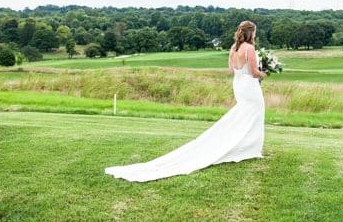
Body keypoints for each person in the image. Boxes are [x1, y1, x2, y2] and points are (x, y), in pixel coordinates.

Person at [105, 19, 266, 182]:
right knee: (255, 113)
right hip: (249, 86)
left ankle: (244, 145)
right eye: (254, 32)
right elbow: (254, 72)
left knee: (243, 114)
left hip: (238, 84)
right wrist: (264, 72)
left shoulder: (234, 48)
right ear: (250, 32)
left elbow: (231, 69)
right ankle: (249, 148)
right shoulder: (250, 48)